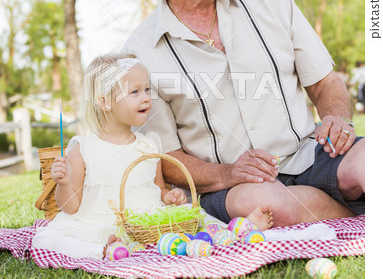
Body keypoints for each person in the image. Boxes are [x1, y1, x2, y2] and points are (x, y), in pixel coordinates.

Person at [122, 0, 365, 227]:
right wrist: (229, 173)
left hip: (310, 154)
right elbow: (165, 158)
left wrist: (338, 119)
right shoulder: (140, 53)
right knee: (266, 207)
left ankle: (334, 208)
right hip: (232, 185)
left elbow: (325, 83)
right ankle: (357, 214)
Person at [31, 53, 276, 259]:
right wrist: (64, 183)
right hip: (100, 224)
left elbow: (158, 190)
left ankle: (239, 230)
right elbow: (70, 207)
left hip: (148, 224)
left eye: (147, 89)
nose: (147, 97)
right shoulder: (83, 149)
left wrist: (170, 196)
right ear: (104, 102)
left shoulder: (148, 146)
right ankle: (102, 249)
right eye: (135, 92)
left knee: (197, 221)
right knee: (45, 240)